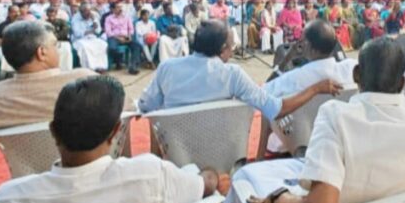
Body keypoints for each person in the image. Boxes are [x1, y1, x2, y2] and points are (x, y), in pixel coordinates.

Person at [230, 37, 405, 203]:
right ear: (402, 83)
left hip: (332, 200)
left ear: (356, 75)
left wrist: (278, 198)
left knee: (244, 178)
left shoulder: (336, 116)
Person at [0, 76, 217, 203]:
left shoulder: (7, 201)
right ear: (115, 132)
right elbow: (204, 186)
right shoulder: (150, 175)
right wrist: (212, 176)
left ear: (53, 131)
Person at [137, 20, 342, 123]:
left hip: (175, 155)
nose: (232, 50)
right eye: (231, 46)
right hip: (221, 153)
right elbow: (275, 109)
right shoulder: (232, 74)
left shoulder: (166, 68)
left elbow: (146, 106)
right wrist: (316, 89)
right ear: (222, 50)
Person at [0, 21, 97, 133]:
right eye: (55, 45)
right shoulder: (85, 81)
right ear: (42, 53)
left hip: (22, 154)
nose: (58, 50)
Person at [265, 20, 357, 98]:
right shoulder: (352, 67)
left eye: (302, 39)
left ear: (307, 45)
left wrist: (286, 59)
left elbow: (263, 94)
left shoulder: (294, 78)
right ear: (335, 43)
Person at [71, 4, 109, 72]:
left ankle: (101, 66)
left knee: (102, 44)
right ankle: (88, 68)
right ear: (81, 12)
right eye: (86, 11)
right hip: (80, 40)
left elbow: (98, 31)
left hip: (92, 38)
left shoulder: (93, 16)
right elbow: (77, 33)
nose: (88, 13)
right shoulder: (75, 19)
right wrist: (90, 31)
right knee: (85, 48)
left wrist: (94, 21)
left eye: (89, 11)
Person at [104, 3, 140, 74]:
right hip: (114, 37)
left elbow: (131, 29)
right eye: (118, 7)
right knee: (112, 48)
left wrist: (129, 36)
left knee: (137, 46)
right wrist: (118, 38)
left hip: (126, 37)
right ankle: (118, 62)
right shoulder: (108, 18)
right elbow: (108, 32)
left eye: (121, 7)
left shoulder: (127, 17)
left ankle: (133, 67)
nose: (120, 9)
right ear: (113, 9)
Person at [46, 7, 73, 72]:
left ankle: (66, 70)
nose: (51, 15)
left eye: (53, 13)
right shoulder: (45, 23)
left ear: (56, 14)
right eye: (49, 13)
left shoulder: (62, 22)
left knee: (66, 49)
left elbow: (65, 32)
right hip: (49, 42)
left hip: (62, 41)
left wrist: (55, 37)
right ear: (47, 14)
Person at [0, 5, 20, 75]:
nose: (17, 14)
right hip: (5, 45)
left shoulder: (22, 24)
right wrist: (6, 43)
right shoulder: (3, 25)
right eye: (14, 12)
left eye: (18, 12)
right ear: (9, 13)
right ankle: (7, 73)